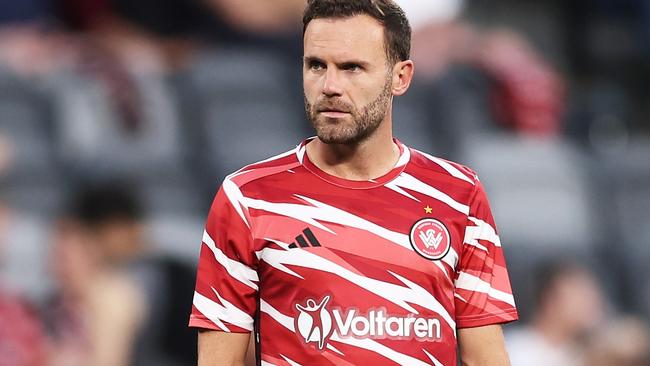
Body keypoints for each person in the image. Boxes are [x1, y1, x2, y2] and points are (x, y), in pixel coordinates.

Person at [189, 1, 518, 365]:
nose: (329, 86)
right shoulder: (247, 198)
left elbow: (485, 358)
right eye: (316, 65)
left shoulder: (459, 193)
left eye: (352, 68)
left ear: (401, 77)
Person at [506, 260, 605, 366]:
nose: (591, 302)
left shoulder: (582, 352)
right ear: (550, 300)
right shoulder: (516, 350)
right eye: (580, 295)